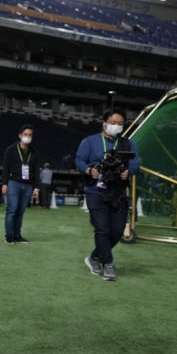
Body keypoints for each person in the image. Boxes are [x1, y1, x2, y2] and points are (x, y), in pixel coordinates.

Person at [75, 109, 140, 282]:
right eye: (113, 122)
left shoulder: (128, 144)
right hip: (95, 191)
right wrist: (89, 170)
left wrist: (128, 172)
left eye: (120, 124)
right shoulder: (89, 141)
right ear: (104, 122)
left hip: (117, 193)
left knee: (117, 231)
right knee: (102, 228)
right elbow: (79, 160)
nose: (116, 126)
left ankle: (94, 257)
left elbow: (135, 163)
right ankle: (108, 263)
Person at [1, 124, 39, 243]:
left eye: (30, 135)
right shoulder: (11, 150)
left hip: (28, 185)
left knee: (20, 212)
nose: (28, 137)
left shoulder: (34, 152)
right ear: (20, 135)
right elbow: (5, 167)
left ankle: (17, 235)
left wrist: (36, 187)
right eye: (25, 134)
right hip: (13, 183)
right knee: (12, 210)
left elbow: (36, 170)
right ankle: (9, 236)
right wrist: (4, 183)